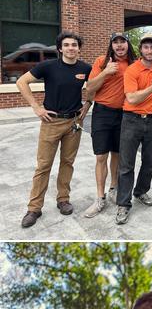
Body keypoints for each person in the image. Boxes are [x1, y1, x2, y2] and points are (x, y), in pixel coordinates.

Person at [16, 31, 92, 228]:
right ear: (60, 48)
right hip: (51, 122)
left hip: (74, 122)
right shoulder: (48, 66)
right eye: (66, 45)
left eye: (74, 45)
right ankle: (34, 208)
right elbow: (21, 82)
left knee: (67, 163)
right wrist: (36, 107)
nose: (70, 48)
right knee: (43, 166)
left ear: (79, 48)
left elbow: (95, 87)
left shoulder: (85, 68)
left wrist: (88, 103)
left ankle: (63, 199)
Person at [116, 33, 152, 225]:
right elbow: (131, 98)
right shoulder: (132, 70)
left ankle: (140, 191)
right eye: (146, 47)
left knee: (150, 161)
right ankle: (123, 204)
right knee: (126, 164)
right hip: (132, 119)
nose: (149, 50)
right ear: (141, 49)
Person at [82, 32, 136, 218]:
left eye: (123, 42)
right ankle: (100, 197)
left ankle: (114, 188)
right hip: (102, 113)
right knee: (101, 156)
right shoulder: (101, 61)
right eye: (116, 42)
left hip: (124, 114)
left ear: (128, 44)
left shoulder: (134, 64)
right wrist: (105, 72)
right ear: (111, 45)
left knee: (117, 154)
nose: (119, 45)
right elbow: (90, 87)